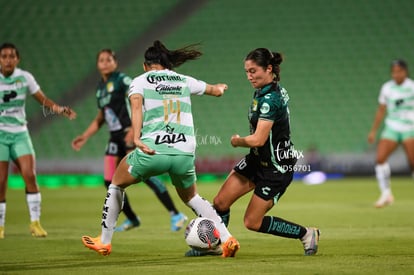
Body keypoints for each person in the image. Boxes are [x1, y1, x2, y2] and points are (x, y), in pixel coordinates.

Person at [81, 40, 240, 257]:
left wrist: (136, 137)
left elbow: (136, 108)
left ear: (146, 65)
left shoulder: (139, 81)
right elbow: (215, 91)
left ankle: (105, 241)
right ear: (167, 65)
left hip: (153, 151)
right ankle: (227, 238)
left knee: (116, 183)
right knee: (192, 197)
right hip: (184, 153)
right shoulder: (183, 79)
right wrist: (220, 87)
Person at [188, 48, 319, 257]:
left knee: (252, 222)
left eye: (253, 71)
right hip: (257, 160)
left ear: (269, 69)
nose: (249, 76)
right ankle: (216, 245)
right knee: (220, 202)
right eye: (247, 72)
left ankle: (306, 234)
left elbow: (257, 139)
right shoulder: (264, 90)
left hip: (276, 168)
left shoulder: (271, 100)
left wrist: (238, 141)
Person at [72, 49, 187, 232]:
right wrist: (85, 136)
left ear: (115, 62)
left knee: (143, 172)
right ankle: (132, 219)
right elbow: (101, 116)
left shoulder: (123, 81)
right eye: (101, 60)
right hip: (114, 137)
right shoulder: (100, 88)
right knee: (109, 181)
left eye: (108, 59)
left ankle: (175, 214)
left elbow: (138, 100)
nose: (104, 63)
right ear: (97, 64)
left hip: (128, 133)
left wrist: (134, 130)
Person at [0, 42, 76, 239]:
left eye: (11, 56)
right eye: (4, 56)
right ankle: (0, 226)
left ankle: (35, 223)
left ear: (17, 59)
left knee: (30, 175)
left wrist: (58, 108)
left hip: (19, 133)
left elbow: (43, 99)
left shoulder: (24, 78)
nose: (8, 59)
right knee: (1, 181)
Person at [368, 59, 414, 208]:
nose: (396, 74)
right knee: (380, 158)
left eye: (399, 71)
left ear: (405, 72)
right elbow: (381, 110)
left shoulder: (412, 87)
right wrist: (373, 131)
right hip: (392, 127)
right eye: (393, 72)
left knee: (412, 162)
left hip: (409, 127)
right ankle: (386, 194)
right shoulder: (387, 88)